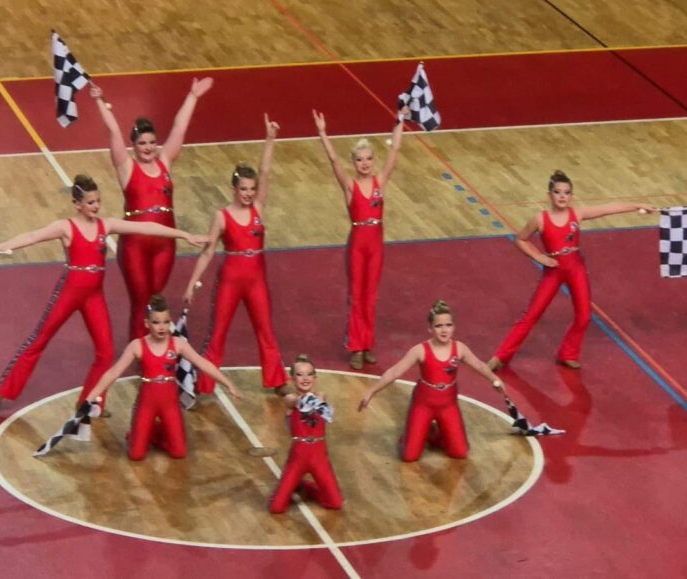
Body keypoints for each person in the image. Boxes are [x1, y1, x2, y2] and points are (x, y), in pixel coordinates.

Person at [0, 174, 208, 419]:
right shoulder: (65, 227)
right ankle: (2, 393)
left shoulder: (106, 226)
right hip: (69, 293)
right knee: (39, 341)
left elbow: (145, 227)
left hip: (94, 297)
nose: (96, 206)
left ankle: (90, 402)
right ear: (77, 204)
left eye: (98, 201)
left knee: (105, 352)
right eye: (90, 202)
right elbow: (30, 237)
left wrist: (183, 235)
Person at [487, 170, 656, 371]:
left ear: (571, 196)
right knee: (531, 315)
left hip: (576, 268)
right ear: (549, 195)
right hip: (554, 271)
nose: (562, 196)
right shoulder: (540, 219)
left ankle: (568, 353)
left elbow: (609, 208)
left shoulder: (577, 214)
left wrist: (638, 205)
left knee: (584, 315)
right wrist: (539, 257)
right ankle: (500, 356)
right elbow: (520, 239)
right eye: (558, 192)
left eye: (566, 193)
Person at [89, 78, 213, 339]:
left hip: (165, 245)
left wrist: (192, 96)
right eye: (142, 143)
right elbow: (113, 131)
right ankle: (140, 353)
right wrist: (99, 101)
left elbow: (180, 128)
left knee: (155, 298)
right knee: (140, 301)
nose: (148, 148)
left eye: (151, 142)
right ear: (133, 145)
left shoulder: (166, 161)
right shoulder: (126, 167)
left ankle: (155, 348)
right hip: (135, 245)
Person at [183, 115, 287, 394]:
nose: (249, 194)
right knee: (217, 334)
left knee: (266, 330)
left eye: (252, 190)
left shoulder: (259, 209)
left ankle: (277, 381)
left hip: (256, 281)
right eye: (244, 189)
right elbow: (207, 254)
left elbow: (265, 172)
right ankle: (204, 386)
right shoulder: (221, 216)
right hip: (230, 279)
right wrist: (192, 282)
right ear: (234, 189)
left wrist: (269, 139)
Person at [85, 295, 240, 460]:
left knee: (179, 452)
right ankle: (141, 432)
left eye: (166, 322)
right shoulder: (137, 346)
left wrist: (228, 384)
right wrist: (91, 396)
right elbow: (113, 372)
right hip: (147, 401)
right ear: (147, 324)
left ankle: (152, 430)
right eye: (156, 322)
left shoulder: (178, 344)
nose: (161, 327)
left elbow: (202, 363)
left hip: (170, 403)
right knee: (136, 455)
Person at [312, 107, 408, 370]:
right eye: (359, 160)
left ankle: (368, 345)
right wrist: (323, 134)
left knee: (371, 295)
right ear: (353, 163)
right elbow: (333, 162)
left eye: (368, 159)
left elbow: (395, 151)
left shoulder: (380, 181)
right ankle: (356, 346)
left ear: (372, 161)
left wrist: (400, 121)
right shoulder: (350, 187)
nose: (364, 163)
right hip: (357, 245)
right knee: (357, 295)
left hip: (376, 244)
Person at [358, 300, 507, 462]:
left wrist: (495, 379)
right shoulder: (420, 350)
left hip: (448, 404)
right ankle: (413, 435)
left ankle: (434, 432)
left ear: (454, 327)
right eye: (439, 326)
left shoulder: (460, 348)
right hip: (424, 404)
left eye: (448, 325)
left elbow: (479, 365)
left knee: (460, 452)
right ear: (430, 328)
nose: (444, 330)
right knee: (409, 456)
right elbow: (394, 371)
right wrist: (371, 391)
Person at [268, 355, 344, 513]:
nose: (305, 378)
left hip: (319, 455)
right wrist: (317, 401)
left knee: (335, 503)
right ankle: (296, 483)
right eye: (300, 374)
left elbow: (328, 415)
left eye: (309, 374)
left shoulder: (321, 396)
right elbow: (299, 403)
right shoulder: (290, 398)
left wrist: (320, 400)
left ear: (315, 377)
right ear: (292, 378)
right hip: (298, 455)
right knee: (276, 508)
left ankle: (304, 486)